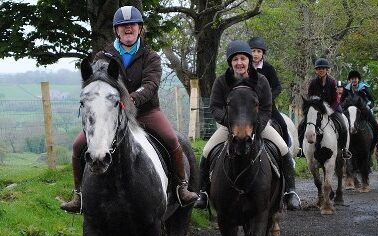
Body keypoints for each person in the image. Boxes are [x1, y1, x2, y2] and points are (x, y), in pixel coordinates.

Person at [60, 6, 198, 213]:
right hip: (112, 114)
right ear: (116, 30)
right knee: (78, 145)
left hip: (147, 111)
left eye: (132, 25)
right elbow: (96, 84)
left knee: (172, 139)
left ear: (139, 28)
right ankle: (79, 194)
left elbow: (151, 85)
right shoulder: (103, 57)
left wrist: (130, 99)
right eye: (123, 26)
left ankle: (181, 187)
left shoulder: (151, 57)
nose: (128, 29)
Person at [194, 40, 301, 211]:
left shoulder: (261, 80)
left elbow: (266, 107)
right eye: (235, 59)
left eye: (243, 58)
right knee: (206, 152)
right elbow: (215, 107)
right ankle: (203, 193)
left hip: (258, 125)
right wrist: (230, 123)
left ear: (249, 61)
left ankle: (290, 191)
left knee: (283, 148)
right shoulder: (222, 81)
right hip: (229, 127)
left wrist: (257, 126)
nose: (239, 63)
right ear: (230, 62)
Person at [298, 58, 351, 159]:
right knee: (301, 125)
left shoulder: (332, 82)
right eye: (319, 69)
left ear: (327, 70)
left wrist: (329, 111)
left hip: (332, 108)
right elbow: (310, 98)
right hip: (317, 110)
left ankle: (344, 149)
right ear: (316, 70)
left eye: (323, 68)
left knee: (343, 126)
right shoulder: (313, 83)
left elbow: (336, 100)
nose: (321, 70)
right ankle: (301, 149)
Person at [248, 37, 290, 147]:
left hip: (267, 106)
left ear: (263, 54)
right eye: (253, 51)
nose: (256, 54)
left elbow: (277, 87)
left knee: (283, 124)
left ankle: (287, 153)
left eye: (259, 51)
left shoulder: (269, 68)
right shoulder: (244, 68)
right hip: (247, 107)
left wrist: (268, 98)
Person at [341, 70, 378, 145]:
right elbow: (342, 101)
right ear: (350, 80)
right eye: (352, 79)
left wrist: (369, 106)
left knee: (375, 124)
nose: (354, 80)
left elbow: (372, 100)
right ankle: (341, 144)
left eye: (355, 78)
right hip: (350, 109)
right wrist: (343, 108)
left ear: (358, 79)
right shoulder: (346, 88)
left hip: (363, 109)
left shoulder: (364, 87)